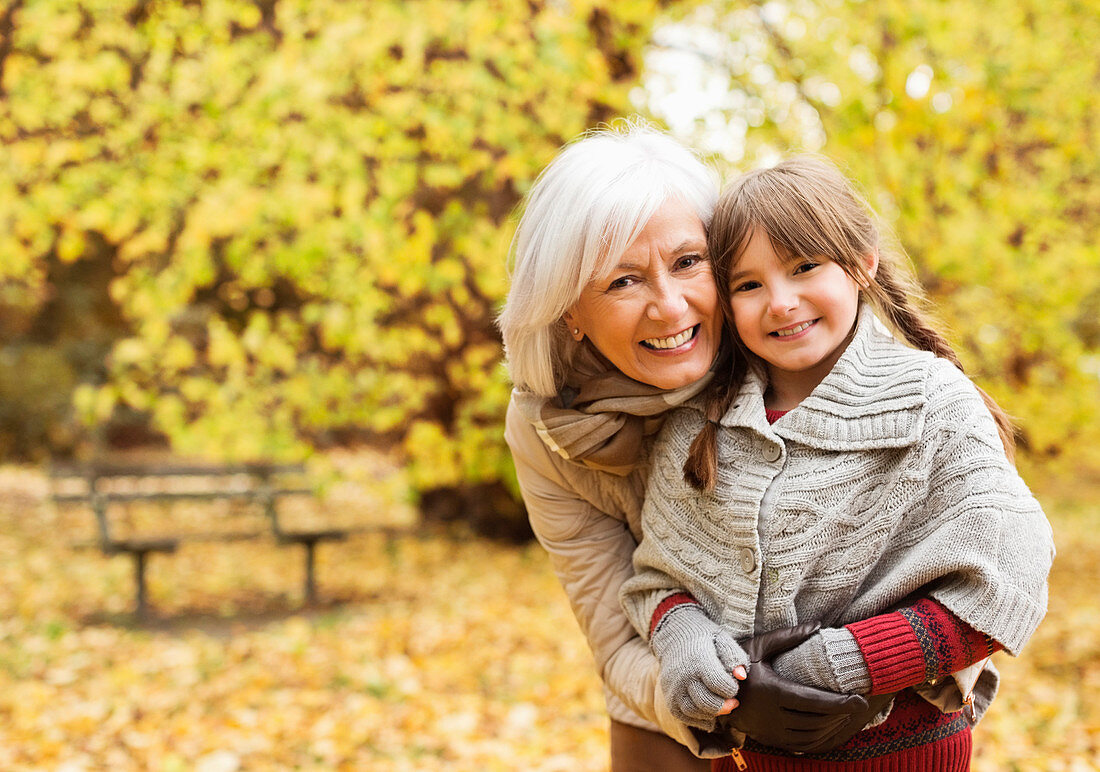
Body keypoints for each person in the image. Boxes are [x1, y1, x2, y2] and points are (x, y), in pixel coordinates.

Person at [620, 155, 1055, 770]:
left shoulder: (931, 401)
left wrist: (847, 661)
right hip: (747, 759)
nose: (781, 302)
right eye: (748, 284)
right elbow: (658, 581)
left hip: (904, 754)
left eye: (804, 268)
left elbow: (1005, 581)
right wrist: (684, 639)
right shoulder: (701, 422)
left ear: (862, 261)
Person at [499, 125, 881, 771]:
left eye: (687, 262)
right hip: (667, 715)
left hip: (845, 711)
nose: (670, 307)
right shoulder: (547, 430)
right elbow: (617, 637)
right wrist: (722, 707)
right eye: (623, 282)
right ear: (569, 310)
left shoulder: (790, 348)